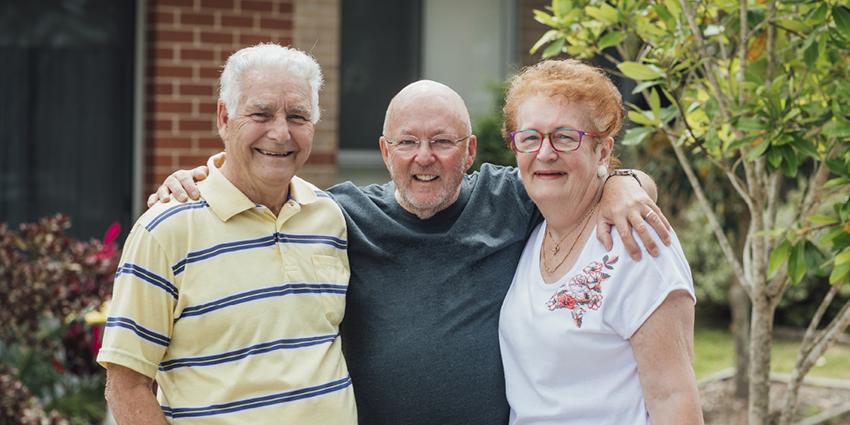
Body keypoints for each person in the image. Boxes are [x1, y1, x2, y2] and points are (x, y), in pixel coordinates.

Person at [151, 80, 672, 424]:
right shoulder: (338, 214)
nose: (424, 159)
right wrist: (195, 179)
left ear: (469, 151)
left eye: (443, 142)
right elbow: (258, 193)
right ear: (385, 151)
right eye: (407, 143)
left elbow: (572, 175)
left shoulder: (510, 196)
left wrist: (624, 182)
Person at [97, 44, 356, 424]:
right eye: (261, 114)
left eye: (298, 116)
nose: (281, 133)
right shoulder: (166, 230)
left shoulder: (329, 217)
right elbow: (126, 385)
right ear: (224, 117)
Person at [498, 59, 703, 424]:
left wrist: (623, 182)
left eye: (565, 136)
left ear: (603, 152)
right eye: (530, 137)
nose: (545, 153)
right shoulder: (534, 231)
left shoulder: (636, 242)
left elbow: (674, 398)